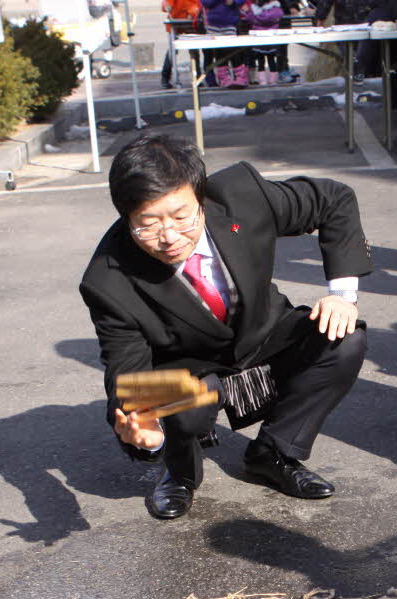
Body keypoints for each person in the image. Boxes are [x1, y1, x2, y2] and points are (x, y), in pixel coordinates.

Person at [79, 134, 372, 520]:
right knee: (176, 403)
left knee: (343, 339)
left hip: (264, 335)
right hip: (190, 369)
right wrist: (148, 434)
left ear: (200, 197)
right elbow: (126, 374)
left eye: (181, 216)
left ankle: (273, 453)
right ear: (126, 217)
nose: (168, 237)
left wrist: (342, 294)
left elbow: (334, 199)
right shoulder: (108, 280)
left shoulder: (241, 195)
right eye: (147, 225)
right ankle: (178, 471)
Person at [161, 0, 202, 89]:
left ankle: (197, 76)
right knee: (173, 50)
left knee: (193, 51)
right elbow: (166, 6)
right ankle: (165, 77)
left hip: (190, 21)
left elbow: (198, 5)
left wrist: (193, 11)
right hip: (176, 21)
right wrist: (167, 6)